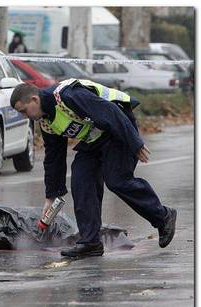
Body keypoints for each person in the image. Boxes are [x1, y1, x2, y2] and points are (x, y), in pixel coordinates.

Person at [10, 79, 177, 258]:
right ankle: (90, 242)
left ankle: (163, 216)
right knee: (81, 179)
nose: (25, 117)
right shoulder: (46, 122)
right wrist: (51, 196)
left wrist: (135, 144)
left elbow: (110, 112)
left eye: (24, 111)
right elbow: (54, 158)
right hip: (94, 138)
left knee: (117, 180)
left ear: (34, 100)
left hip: (118, 127)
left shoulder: (67, 96)